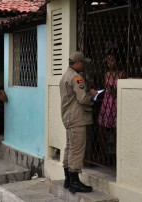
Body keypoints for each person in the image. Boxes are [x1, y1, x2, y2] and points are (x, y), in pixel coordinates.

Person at [59, 51, 96, 193]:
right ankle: (74, 182)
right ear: (78, 62)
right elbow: (82, 98)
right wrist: (92, 96)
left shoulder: (65, 76)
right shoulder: (76, 77)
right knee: (77, 149)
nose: (84, 66)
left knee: (69, 147)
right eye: (83, 63)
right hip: (77, 118)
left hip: (68, 117)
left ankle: (68, 180)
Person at [97, 50, 126, 162]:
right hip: (107, 103)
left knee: (116, 130)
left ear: (117, 60)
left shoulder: (122, 74)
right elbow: (105, 88)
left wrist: (115, 91)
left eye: (112, 60)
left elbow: (121, 90)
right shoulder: (107, 74)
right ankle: (103, 154)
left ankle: (117, 155)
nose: (110, 63)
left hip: (117, 103)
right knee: (101, 129)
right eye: (108, 60)